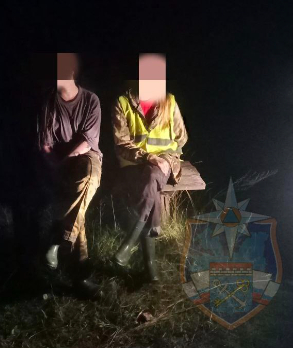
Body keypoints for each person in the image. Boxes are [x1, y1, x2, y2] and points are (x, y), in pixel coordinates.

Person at [112, 54, 188, 282]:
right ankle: (150, 266)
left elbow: (181, 138)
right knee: (150, 183)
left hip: (163, 163)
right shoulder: (123, 102)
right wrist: (147, 156)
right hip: (134, 164)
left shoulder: (169, 101)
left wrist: (164, 157)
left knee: (152, 176)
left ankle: (131, 242)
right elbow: (121, 143)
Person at [38, 53, 102, 298]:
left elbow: (88, 141)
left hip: (86, 158)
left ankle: (57, 239)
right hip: (58, 163)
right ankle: (81, 278)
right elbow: (45, 145)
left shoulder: (90, 100)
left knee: (87, 177)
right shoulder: (48, 103)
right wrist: (55, 166)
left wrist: (65, 161)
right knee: (77, 205)